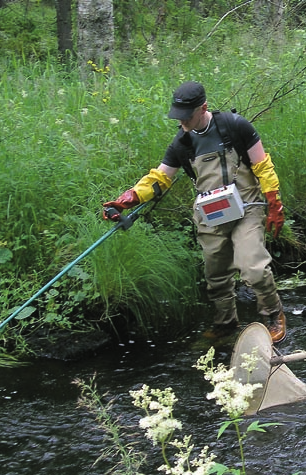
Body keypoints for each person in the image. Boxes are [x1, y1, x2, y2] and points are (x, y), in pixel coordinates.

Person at [102, 81, 287, 344]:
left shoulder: (235, 126)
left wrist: (274, 205)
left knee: (253, 267)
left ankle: (274, 314)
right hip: (211, 214)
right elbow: (159, 178)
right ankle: (225, 323)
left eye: (187, 116)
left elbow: (262, 166)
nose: (183, 122)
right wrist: (126, 200)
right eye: (178, 117)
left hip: (248, 207)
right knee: (216, 276)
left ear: (203, 108)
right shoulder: (181, 143)